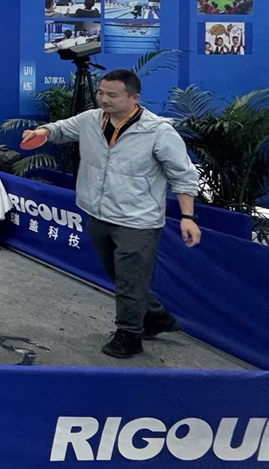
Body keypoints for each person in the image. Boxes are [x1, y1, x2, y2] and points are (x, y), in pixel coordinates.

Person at [21, 70, 200, 359]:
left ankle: (129, 336)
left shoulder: (159, 131)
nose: (103, 99)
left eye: (112, 95)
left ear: (133, 98)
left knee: (129, 280)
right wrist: (41, 133)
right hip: (98, 214)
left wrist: (188, 217)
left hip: (138, 220)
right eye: (101, 93)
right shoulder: (90, 120)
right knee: (120, 275)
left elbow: (183, 176)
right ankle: (154, 316)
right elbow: (61, 128)